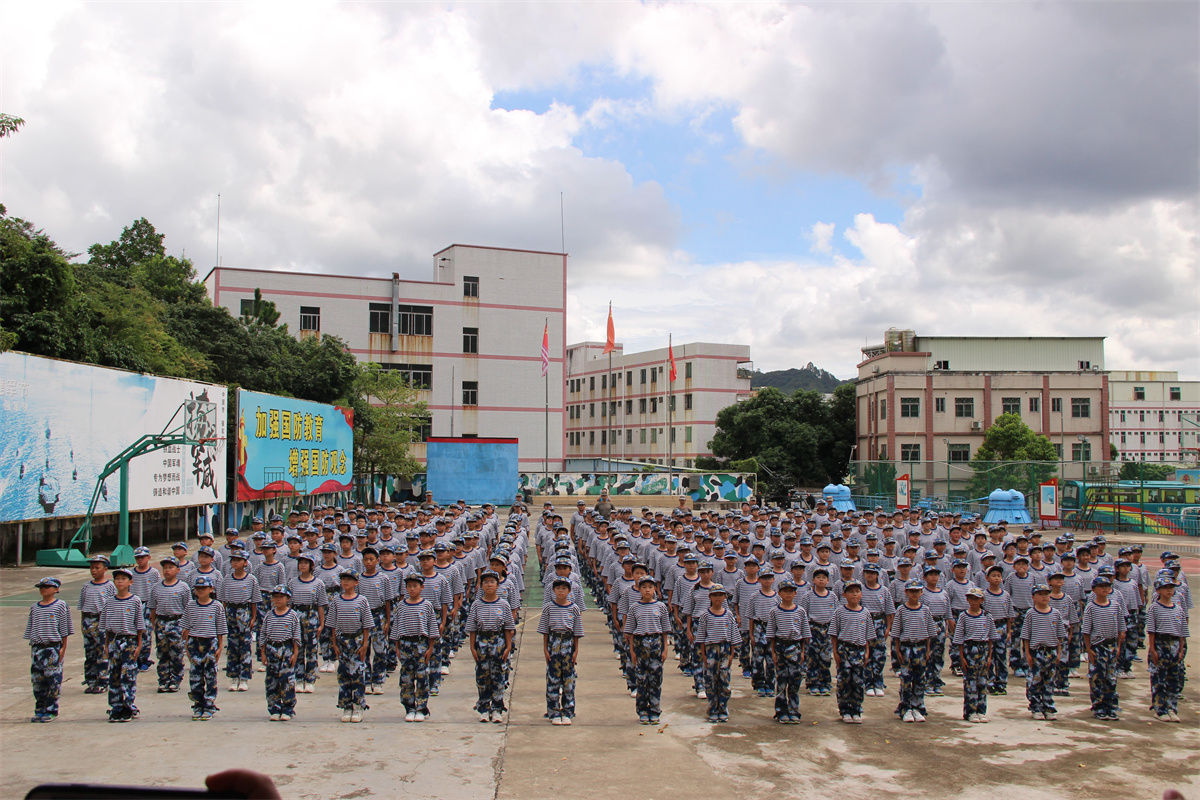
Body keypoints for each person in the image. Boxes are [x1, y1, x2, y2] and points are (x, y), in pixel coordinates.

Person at [466, 571, 516, 723]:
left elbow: (508, 628)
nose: (489, 585)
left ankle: (497, 709)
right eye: (486, 582)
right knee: (482, 676)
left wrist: (508, 647)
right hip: (482, 641)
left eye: (492, 582)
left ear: (497, 585)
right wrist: (473, 648)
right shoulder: (476, 604)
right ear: (481, 586)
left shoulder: (504, 604)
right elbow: (472, 628)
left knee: (498, 676)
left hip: (498, 642)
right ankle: (483, 707)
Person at [390, 574, 441, 722]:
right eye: (409, 586)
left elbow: (432, 628)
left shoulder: (427, 605)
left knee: (422, 677)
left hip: (421, 644)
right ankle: (409, 707)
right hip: (406, 644)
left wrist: (431, 647)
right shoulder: (401, 605)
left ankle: (421, 707)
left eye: (415, 586)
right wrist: (397, 648)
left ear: (422, 587)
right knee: (406, 678)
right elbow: (397, 627)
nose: (412, 589)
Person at [328, 569, 374, 723]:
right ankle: (346, 705)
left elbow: (366, 624)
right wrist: (334, 644)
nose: (345, 582)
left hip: (357, 640)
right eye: (343, 580)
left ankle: (358, 705)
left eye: (349, 579)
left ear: (356, 583)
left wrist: (365, 643)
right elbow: (333, 625)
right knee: (344, 674)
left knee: (358, 674)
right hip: (342, 641)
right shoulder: (336, 601)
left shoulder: (362, 600)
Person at [623, 575, 670, 724]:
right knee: (642, 680)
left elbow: (665, 631)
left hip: (656, 643)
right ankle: (643, 710)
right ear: (640, 589)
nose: (647, 590)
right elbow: (630, 631)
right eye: (644, 587)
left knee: (655, 679)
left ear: (654, 589)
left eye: (650, 587)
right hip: (640, 643)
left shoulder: (661, 607)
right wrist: (632, 651)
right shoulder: (634, 607)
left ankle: (655, 710)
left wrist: (665, 649)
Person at [100, 566, 145, 722]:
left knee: (128, 674)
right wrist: (106, 645)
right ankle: (116, 706)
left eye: (123, 579)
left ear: (130, 582)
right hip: (114, 640)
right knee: (114, 674)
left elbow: (140, 625)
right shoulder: (109, 602)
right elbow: (106, 626)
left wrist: (139, 645)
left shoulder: (135, 601)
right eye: (117, 579)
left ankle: (128, 706)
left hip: (129, 640)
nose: (120, 581)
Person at [25, 576, 73, 722]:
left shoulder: (60, 606)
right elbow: (31, 628)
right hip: (37, 648)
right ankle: (40, 708)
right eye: (41, 587)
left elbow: (64, 629)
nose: (43, 589)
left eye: (47, 586)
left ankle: (51, 709)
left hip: (52, 647)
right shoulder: (35, 607)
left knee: (53, 679)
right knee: (37, 680)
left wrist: (63, 647)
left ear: (56, 589)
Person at [538, 577, 584, 725]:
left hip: (568, 642)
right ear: (553, 590)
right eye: (558, 588)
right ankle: (553, 711)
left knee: (568, 680)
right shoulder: (548, 608)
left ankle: (568, 711)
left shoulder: (574, 608)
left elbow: (577, 632)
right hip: (554, 642)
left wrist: (576, 650)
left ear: (569, 591)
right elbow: (545, 631)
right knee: (553, 678)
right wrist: (545, 649)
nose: (561, 591)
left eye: (564, 588)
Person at [694, 584, 741, 723]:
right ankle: (712, 709)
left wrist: (732, 654)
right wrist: (703, 655)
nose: (718, 598)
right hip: (710, 650)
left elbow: (733, 637)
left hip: (725, 650)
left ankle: (723, 708)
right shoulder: (705, 615)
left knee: (724, 681)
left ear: (725, 597)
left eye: (720, 595)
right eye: (715, 595)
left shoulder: (729, 615)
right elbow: (701, 637)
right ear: (710, 597)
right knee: (710, 681)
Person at [1080, 575, 1125, 720]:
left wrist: (1118, 646)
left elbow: (1121, 628)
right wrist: (1089, 650)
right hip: (1097, 646)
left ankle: (1111, 706)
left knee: (1111, 678)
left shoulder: (1115, 605)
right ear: (1094, 589)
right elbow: (1086, 631)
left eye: (1107, 586)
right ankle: (1098, 707)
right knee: (1097, 677)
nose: (1105, 589)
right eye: (1101, 586)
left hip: (1111, 645)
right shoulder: (1091, 607)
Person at [183, 576, 226, 720]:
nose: (201, 591)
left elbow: (220, 629)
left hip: (210, 643)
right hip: (195, 643)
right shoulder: (190, 605)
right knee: (195, 677)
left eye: (204, 588)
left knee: (210, 676)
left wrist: (220, 647)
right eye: (198, 588)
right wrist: (187, 647)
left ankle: (209, 705)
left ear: (211, 589)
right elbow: (186, 628)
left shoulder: (216, 606)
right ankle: (197, 705)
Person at [1021, 583, 1067, 721]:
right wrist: (1028, 654)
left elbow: (1060, 636)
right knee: (1035, 680)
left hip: (1051, 651)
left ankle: (1048, 706)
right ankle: (1036, 707)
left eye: (1046, 594)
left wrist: (1059, 653)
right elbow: (1026, 636)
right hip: (1036, 652)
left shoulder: (1056, 613)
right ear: (1033, 597)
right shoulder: (1030, 613)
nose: (1044, 597)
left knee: (1049, 680)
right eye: (1040, 594)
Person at [767, 578, 810, 724]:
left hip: (795, 647)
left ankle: (793, 710)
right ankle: (781, 711)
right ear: (779, 593)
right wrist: (773, 652)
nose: (788, 594)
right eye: (785, 591)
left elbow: (804, 635)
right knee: (781, 680)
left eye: (791, 591)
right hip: (780, 646)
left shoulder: (801, 611)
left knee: (795, 680)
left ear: (795, 593)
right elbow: (771, 634)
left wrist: (803, 652)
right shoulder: (774, 611)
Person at [1146, 575, 1188, 723]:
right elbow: (1151, 631)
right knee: (1159, 678)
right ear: (1158, 590)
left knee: (1173, 679)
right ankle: (1160, 709)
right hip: (1160, 644)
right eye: (1166, 588)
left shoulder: (1178, 609)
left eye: (1171, 588)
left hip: (1175, 645)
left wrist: (1181, 649)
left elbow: (1182, 632)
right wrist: (1153, 650)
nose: (1169, 591)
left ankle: (1172, 708)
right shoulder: (1154, 608)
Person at [891, 580, 934, 723]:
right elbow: (896, 634)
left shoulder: (925, 610)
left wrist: (928, 651)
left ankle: (918, 707)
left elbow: (929, 634)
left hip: (920, 648)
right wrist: (897, 652)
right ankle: (906, 708)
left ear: (921, 592)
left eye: (917, 591)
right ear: (906, 592)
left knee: (920, 679)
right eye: (911, 591)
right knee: (906, 680)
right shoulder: (901, 610)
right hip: (906, 647)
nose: (914, 594)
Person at [954, 586, 998, 723]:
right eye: (972, 598)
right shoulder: (963, 616)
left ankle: (981, 710)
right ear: (967, 599)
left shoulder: (987, 616)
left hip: (983, 649)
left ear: (982, 600)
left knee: (982, 682)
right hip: (969, 648)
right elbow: (959, 638)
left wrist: (990, 656)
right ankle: (970, 711)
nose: (974, 601)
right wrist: (961, 656)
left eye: (977, 599)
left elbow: (991, 638)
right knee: (970, 682)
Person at [831, 580, 872, 724]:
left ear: (861, 594)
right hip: (844, 649)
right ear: (844, 594)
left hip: (859, 650)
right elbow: (834, 634)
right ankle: (845, 709)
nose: (854, 594)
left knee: (858, 681)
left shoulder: (865, 612)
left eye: (857, 591)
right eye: (850, 592)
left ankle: (856, 709)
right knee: (844, 680)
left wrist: (867, 652)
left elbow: (868, 635)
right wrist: (835, 652)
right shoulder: (839, 611)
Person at [149, 556, 191, 694]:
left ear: (178, 570)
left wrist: (186, 627)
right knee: (162, 653)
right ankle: (163, 680)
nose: (167, 570)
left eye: (170, 567)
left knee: (176, 653)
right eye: (165, 568)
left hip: (177, 622)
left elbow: (188, 608)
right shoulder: (156, 587)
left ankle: (175, 679)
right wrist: (154, 624)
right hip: (161, 622)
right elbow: (153, 608)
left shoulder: (183, 587)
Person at [259, 585, 300, 721]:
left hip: (286, 649)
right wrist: (263, 652)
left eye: (281, 597)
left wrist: (295, 653)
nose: (278, 600)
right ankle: (274, 708)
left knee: (287, 680)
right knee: (272, 680)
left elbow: (296, 636)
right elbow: (263, 634)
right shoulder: (269, 615)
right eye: (275, 597)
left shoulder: (292, 615)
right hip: (272, 649)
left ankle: (288, 708)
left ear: (287, 598)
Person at [288, 553, 328, 693]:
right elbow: (290, 605)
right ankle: (298, 678)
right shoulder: (292, 582)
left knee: (311, 650)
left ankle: (310, 678)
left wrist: (321, 624)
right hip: (297, 615)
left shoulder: (318, 583)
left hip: (311, 616)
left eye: (306, 563)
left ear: (311, 565)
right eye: (301, 563)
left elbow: (321, 605)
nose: (303, 565)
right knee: (297, 649)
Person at [220, 552, 260, 692]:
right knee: (232, 646)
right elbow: (223, 601)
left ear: (245, 563)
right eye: (234, 560)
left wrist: (253, 617)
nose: (236, 563)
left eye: (239, 560)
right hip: (231, 611)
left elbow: (254, 600)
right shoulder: (226, 579)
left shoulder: (251, 580)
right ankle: (233, 676)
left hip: (244, 612)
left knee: (245, 645)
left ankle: (244, 677)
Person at [78, 554, 116, 694]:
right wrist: (83, 624)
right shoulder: (86, 586)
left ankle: (103, 680)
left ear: (105, 569)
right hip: (88, 620)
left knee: (102, 652)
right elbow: (82, 607)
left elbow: (112, 606)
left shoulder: (110, 586)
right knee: (90, 653)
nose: (93, 570)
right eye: (92, 567)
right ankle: (91, 680)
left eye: (97, 567)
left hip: (101, 620)